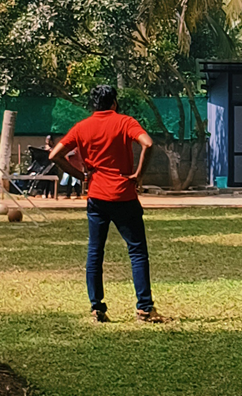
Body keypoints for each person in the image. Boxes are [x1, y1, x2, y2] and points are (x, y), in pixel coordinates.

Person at [51, 84, 165, 324]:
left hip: (97, 197)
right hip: (124, 195)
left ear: (94, 104)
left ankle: (97, 307)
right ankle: (144, 308)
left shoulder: (82, 127)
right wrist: (138, 175)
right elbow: (148, 143)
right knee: (137, 252)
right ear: (114, 102)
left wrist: (81, 175)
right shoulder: (125, 122)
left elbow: (55, 155)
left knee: (95, 252)